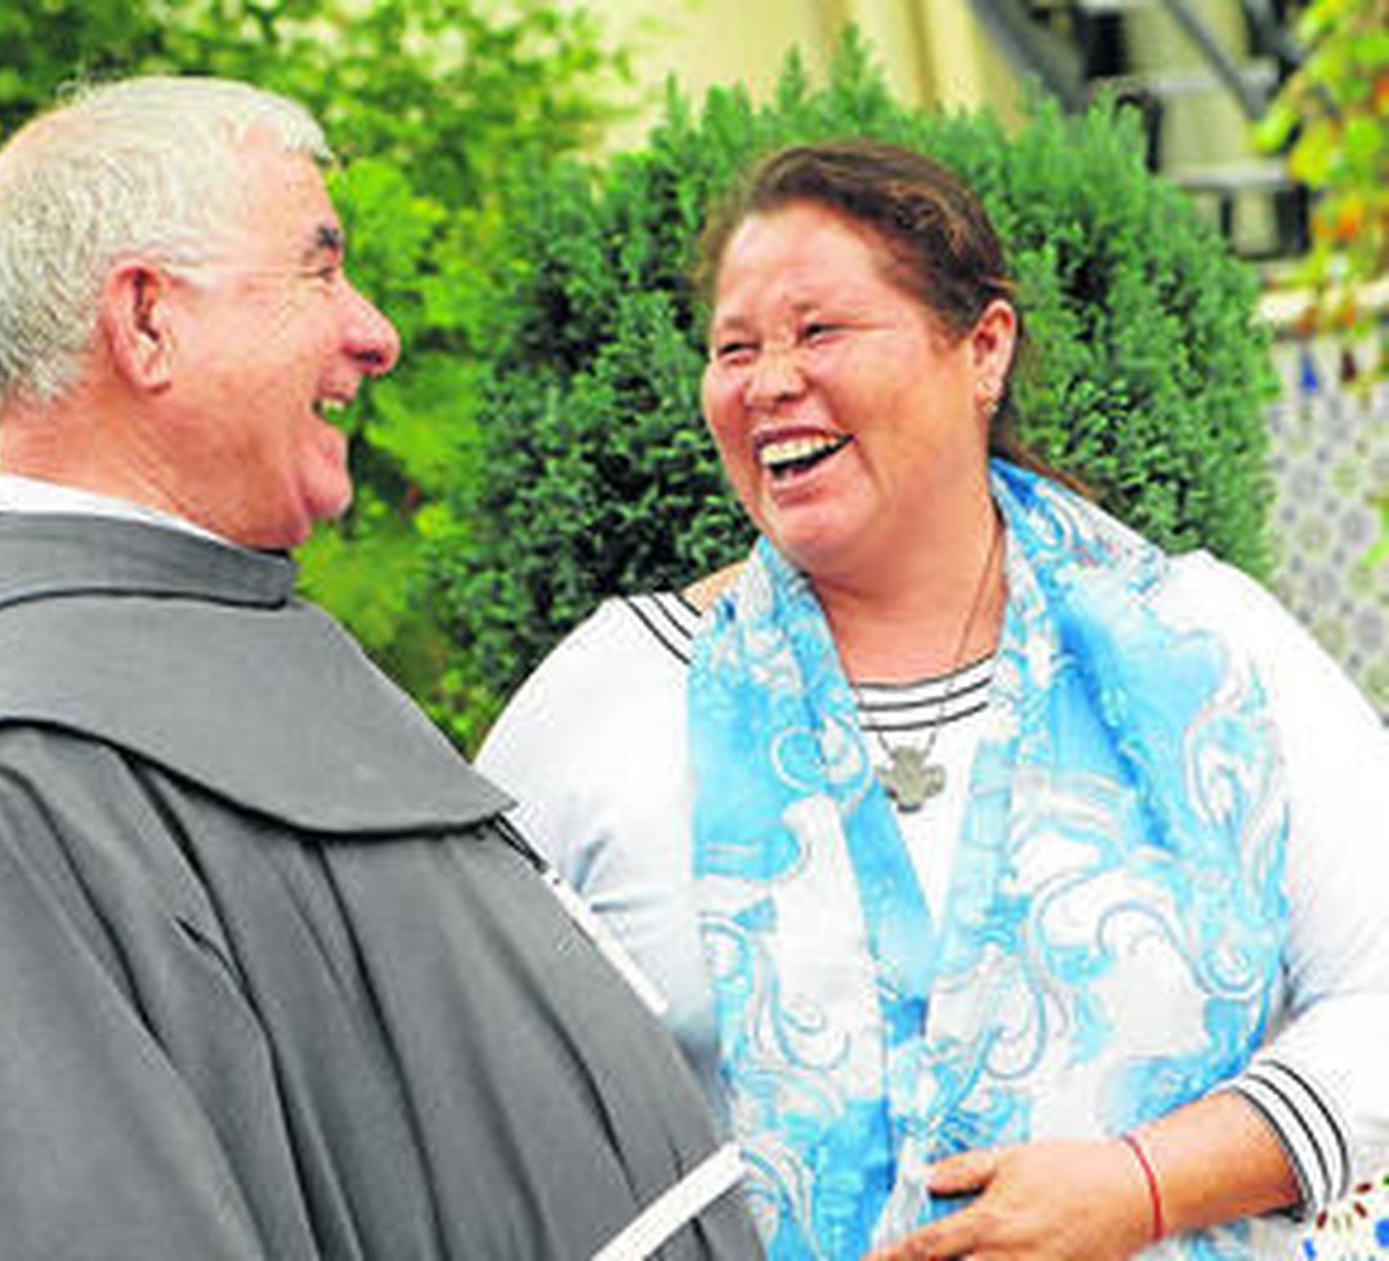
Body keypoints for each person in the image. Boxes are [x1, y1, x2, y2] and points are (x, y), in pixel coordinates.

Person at [0, 76, 763, 1260]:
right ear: (146, 321)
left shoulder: (220, 635)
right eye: (318, 270)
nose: (375, 332)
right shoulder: (2, 782)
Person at [477, 139, 1389, 1258]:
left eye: (818, 331)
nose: (767, 382)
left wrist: (1142, 1185)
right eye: (732, 347)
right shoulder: (613, 694)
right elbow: (467, 1082)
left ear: (984, 348)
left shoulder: (1209, 649)